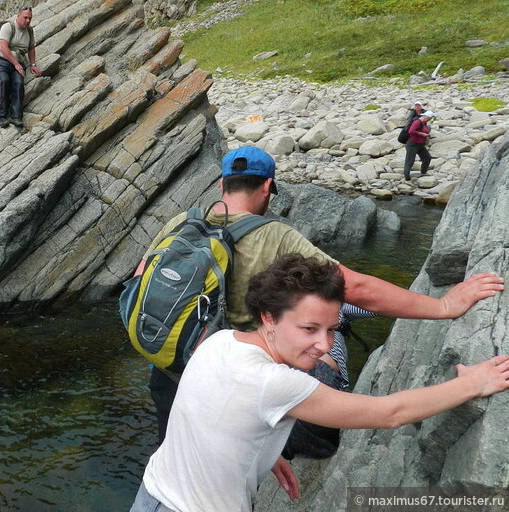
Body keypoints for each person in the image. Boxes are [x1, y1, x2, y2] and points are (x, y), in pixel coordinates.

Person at [134, 146, 503, 445]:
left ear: (222, 185)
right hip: (247, 376)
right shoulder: (271, 233)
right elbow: (355, 287)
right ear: (267, 187)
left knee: (181, 444)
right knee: (332, 338)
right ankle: (337, 328)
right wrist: (443, 305)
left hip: (172, 361)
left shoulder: (182, 222)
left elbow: (139, 280)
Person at [130, 254, 509, 512]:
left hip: (150, 494)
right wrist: (473, 384)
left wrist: (261, 450)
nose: (324, 344)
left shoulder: (218, 340)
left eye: (330, 328)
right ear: (269, 317)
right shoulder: (276, 383)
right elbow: (389, 413)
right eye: (309, 328)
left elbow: (202, 407)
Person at [0, 7, 42, 128]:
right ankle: (1, 116)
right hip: (3, 62)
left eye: (29, 18)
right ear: (18, 15)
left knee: (19, 84)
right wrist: (16, 64)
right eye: (25, 17)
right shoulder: (8, 27)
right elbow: (3, 47)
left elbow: (31, 48)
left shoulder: (29, 31)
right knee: (4, 82)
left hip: (19, 63)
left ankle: (16, 117)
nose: (27, 21)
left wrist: (33, 64)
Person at [404, 110, 434, 180]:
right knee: (410, 160)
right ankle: (407, 177)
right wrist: (422, 134)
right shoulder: (417, 122)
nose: (429, 120)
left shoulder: (423, 123)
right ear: (426, 117)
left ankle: (423, 172)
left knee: (427, 158)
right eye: (429, 119)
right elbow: (411, 131)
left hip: (420, 144)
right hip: (412, 144)